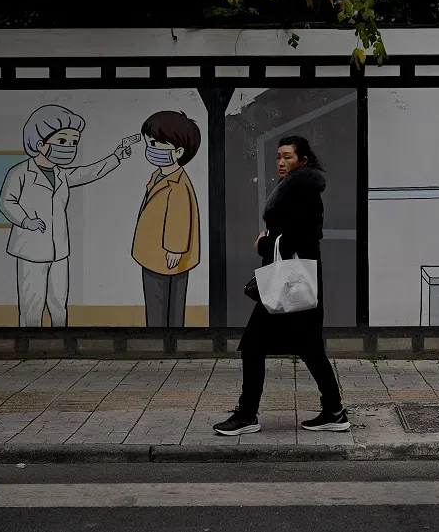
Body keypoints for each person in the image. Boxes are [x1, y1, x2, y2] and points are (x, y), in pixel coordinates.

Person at [214, 136, 349, 436]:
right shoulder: (300, 189)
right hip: (297, 283)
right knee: (310, 348)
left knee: (253, 346)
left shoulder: (302, 191)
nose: (280, 162)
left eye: (287, 157)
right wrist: (274, 237)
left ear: (303, 160)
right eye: (278, 157)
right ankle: (334, 411)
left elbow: (300, 239)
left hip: (289, 284)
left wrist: (264, 243)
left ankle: (247, 415)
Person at [0, 104, 131, 327]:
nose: (69, 147)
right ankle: (30, 346)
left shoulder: (61, 174)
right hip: (31, 251)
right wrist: (25, 221)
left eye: (73, 142)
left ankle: (59, 343)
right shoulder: (20, 172)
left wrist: (116, 157)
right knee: (32, 304)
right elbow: (6, 202)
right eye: (62, 141)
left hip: (59, 251)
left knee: (59, 303)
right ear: (40, 144)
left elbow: (88, 172)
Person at [131, 111, 202, 327]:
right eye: (148, 143)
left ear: (178, 151)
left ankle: (165, 340)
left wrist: (175, 249)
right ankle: (164, 338)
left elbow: (181, 217)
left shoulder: (178, 184)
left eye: (155, 144)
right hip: (154, 254)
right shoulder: (159, 176)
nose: (149, 149)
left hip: (165, 256)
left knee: (163, 304)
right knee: (161, 303)